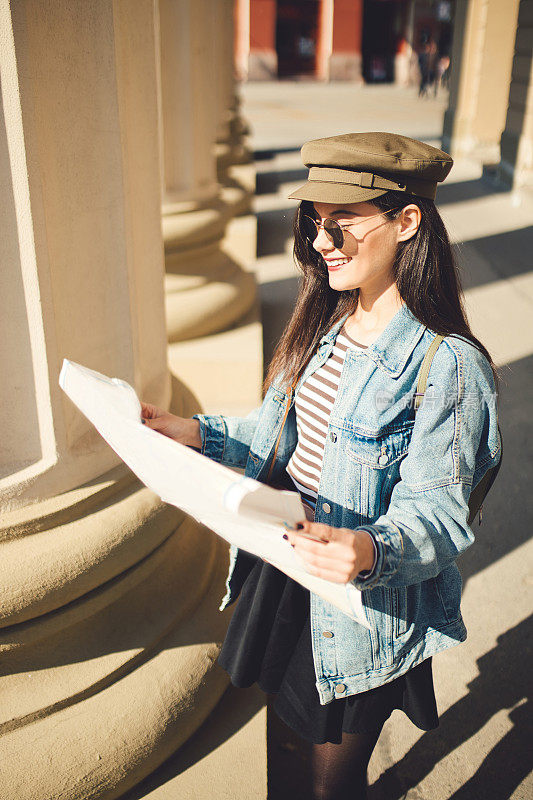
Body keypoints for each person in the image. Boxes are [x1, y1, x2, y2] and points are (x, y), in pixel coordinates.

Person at [140, 132, 501, 800]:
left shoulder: (446, 364)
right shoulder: (326, 324)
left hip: (358, 606)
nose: (319, 242)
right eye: (314, 224)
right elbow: (272, 438)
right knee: (283, 761)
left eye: (341, 225)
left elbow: (439, 513)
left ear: (407, 221)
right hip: (283, 579)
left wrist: (366, 548)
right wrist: (185, 431)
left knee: (327, 788)